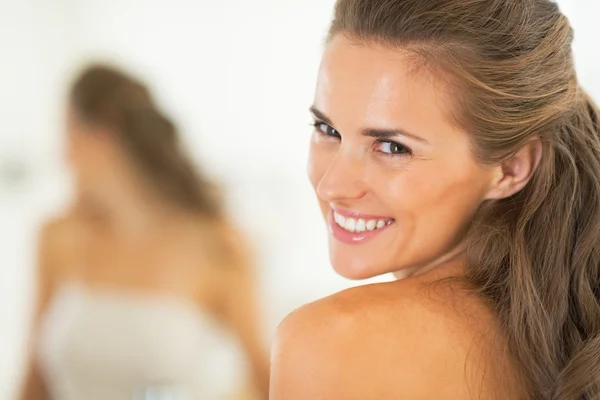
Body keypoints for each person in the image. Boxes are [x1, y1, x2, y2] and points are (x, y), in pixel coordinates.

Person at [270, 0, 600, 399]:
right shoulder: (563, 337)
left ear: (511, 167)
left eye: (392, 148)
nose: (332, 185)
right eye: (327, 128)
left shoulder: (338, 339)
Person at [19, 65, 270, 400]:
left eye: (69, 133)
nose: (63, 155)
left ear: (103, 133)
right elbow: (35, 378)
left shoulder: (215, 243)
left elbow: (262, 376)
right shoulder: (59, 236)